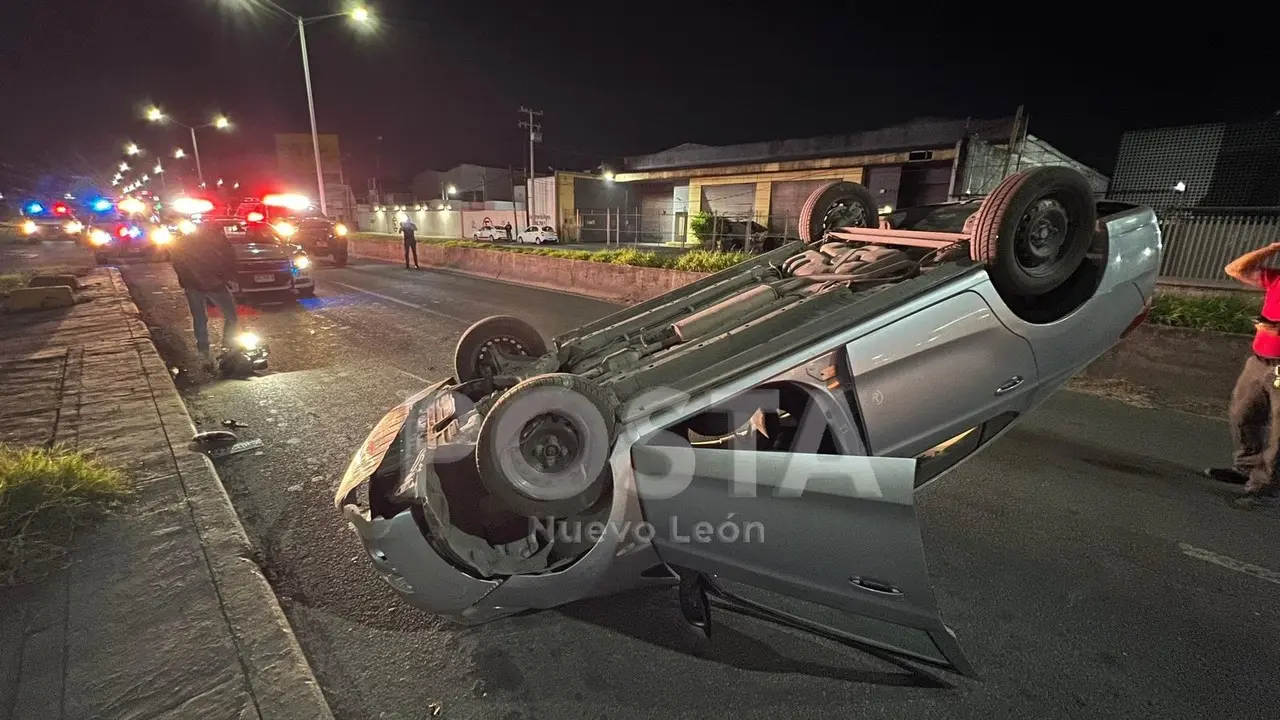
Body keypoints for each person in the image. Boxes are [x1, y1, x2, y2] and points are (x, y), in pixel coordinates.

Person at [1205, 241, 1280, 508]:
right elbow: (1234, 269)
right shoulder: (1276, 279)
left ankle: (1267, 489)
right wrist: (1270, 248)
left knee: (1278, 434)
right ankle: (1247, 467)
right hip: (1259, 361)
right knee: (1243, 414)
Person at [169, 223, 239, 364]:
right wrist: (224, 277)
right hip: (205, 284)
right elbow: (230, 259)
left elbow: (230, 259)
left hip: (203, 284)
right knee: (226, 316)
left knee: (202, 318)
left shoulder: (183, 243)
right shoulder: (214, 242)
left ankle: (207, 351)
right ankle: (224, 348)